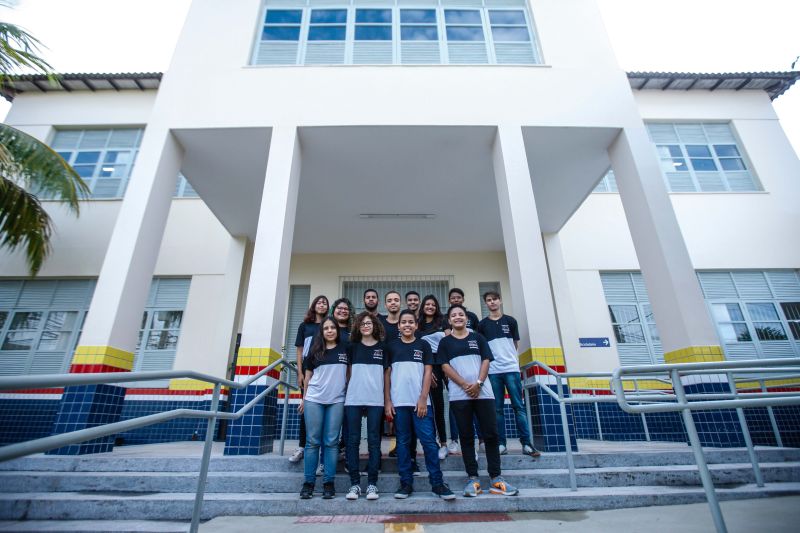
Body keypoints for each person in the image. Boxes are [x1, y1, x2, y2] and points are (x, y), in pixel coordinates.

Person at [439, 304, 518, 497]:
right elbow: (444, 366)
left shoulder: (478, 337)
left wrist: (479, 383)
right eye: (454, 315)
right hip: (459, 395)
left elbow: (486, 360)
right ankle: (473, 479)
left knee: (491, 435)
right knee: (466, 437)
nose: (458, 317)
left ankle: (496, 479)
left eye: (461, 314)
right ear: (449, 320)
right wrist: (466, 384)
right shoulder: (445, 342)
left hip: (484, 394)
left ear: (467, 318)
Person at [384, 310, 455, 501]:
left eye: (411, 322)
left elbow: (428, 372)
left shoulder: (423, 345)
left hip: (421, 404)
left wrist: (423, 398)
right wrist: (388, 402)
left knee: (429, 443)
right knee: (404, 443)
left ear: (416, 325)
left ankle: (437, 483)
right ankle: (405, 483)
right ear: (398, 326)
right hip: (399, 404)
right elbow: (387, 376)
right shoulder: (391, 347)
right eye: (403, 322)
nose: (407, 325)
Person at [477, 291, 540, 457]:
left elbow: (515, 344)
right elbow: (482, 350)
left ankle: (526, 444)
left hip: (511, 369)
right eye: (488, 300)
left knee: (518, 407)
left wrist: (511, 361)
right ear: (486, 303)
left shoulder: (511, 321)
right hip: (493, 371)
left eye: (494, 299)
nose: (492, 302)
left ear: (500, 300)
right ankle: (501, 444)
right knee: (497, 409)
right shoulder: (482, 325)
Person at [298, 317, 349, 499]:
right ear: (322, 331)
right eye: (325, 328)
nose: (329, 331)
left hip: (337, 400)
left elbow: (349, 375)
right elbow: (307, 376)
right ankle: (309, 483)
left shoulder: (346, 349)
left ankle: (329, 483)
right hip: (314, 399)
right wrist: (304, 399)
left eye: (332, 328)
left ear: (337, 330)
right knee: (312, 442)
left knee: (331, 442)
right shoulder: (314, 351)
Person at [344, 312, 387, 501]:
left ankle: (372, 485)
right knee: (352, 442)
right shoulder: (352, 347)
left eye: (369, 323)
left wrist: (387, 401)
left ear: (375, 325)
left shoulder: (383, 348)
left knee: (373, 442)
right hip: (353, 399)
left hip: (375, 400)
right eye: (362, 323)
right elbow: (347, 373)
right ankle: (354, 484)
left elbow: (387, 376)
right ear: (358, 327)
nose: (366, 326)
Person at [289, 295, 329, 464]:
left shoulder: (329, 326)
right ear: (314, 306)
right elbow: (299, 351)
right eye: (319, 302)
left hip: (325, 371)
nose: (322, 305)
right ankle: (302, 446)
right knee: (305, 408)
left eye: (325, 303)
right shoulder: (304, 326)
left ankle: (321, 451)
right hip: (307, 371)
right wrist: (300, 373)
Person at [417, 294, 450, 459]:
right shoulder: (418, 325)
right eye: (427, 304)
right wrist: (427, 372)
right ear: (423, 306)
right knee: (436, 407)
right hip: (428, 367)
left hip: (445, 365)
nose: (430, 306)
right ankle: (439, 443)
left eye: (433, 304)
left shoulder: (443, 321)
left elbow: (449, 343)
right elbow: (418, 350)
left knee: (459, 403)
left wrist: (447, 369)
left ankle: (454, 441)